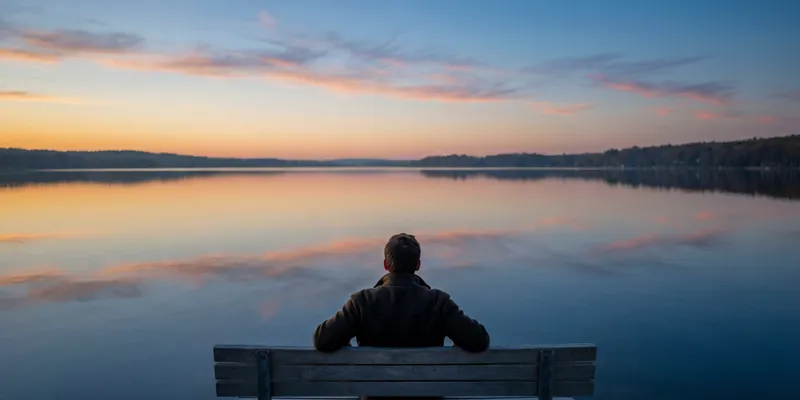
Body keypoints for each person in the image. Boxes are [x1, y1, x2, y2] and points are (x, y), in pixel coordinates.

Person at [313, 233, 490, 352]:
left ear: (386, 265)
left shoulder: (362, 301)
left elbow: (322, 341)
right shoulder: (438, 302)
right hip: (427, 395)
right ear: (418, 265)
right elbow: (478, 341)